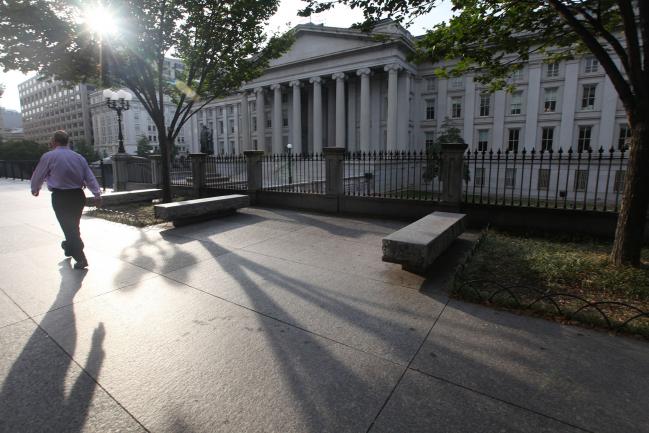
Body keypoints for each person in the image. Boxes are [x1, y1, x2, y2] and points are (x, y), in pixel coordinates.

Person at [31, 130, 102, 269]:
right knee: (73, 226)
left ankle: (80, 258)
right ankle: (69, 247)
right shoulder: (78, 157)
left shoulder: (49, 156)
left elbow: (39, 174)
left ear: (55, 141)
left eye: (51, 140)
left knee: (69, 228)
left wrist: (35, 188)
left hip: (61, 197)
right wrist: (97, 194)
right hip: (77, 196)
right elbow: (89, 177)